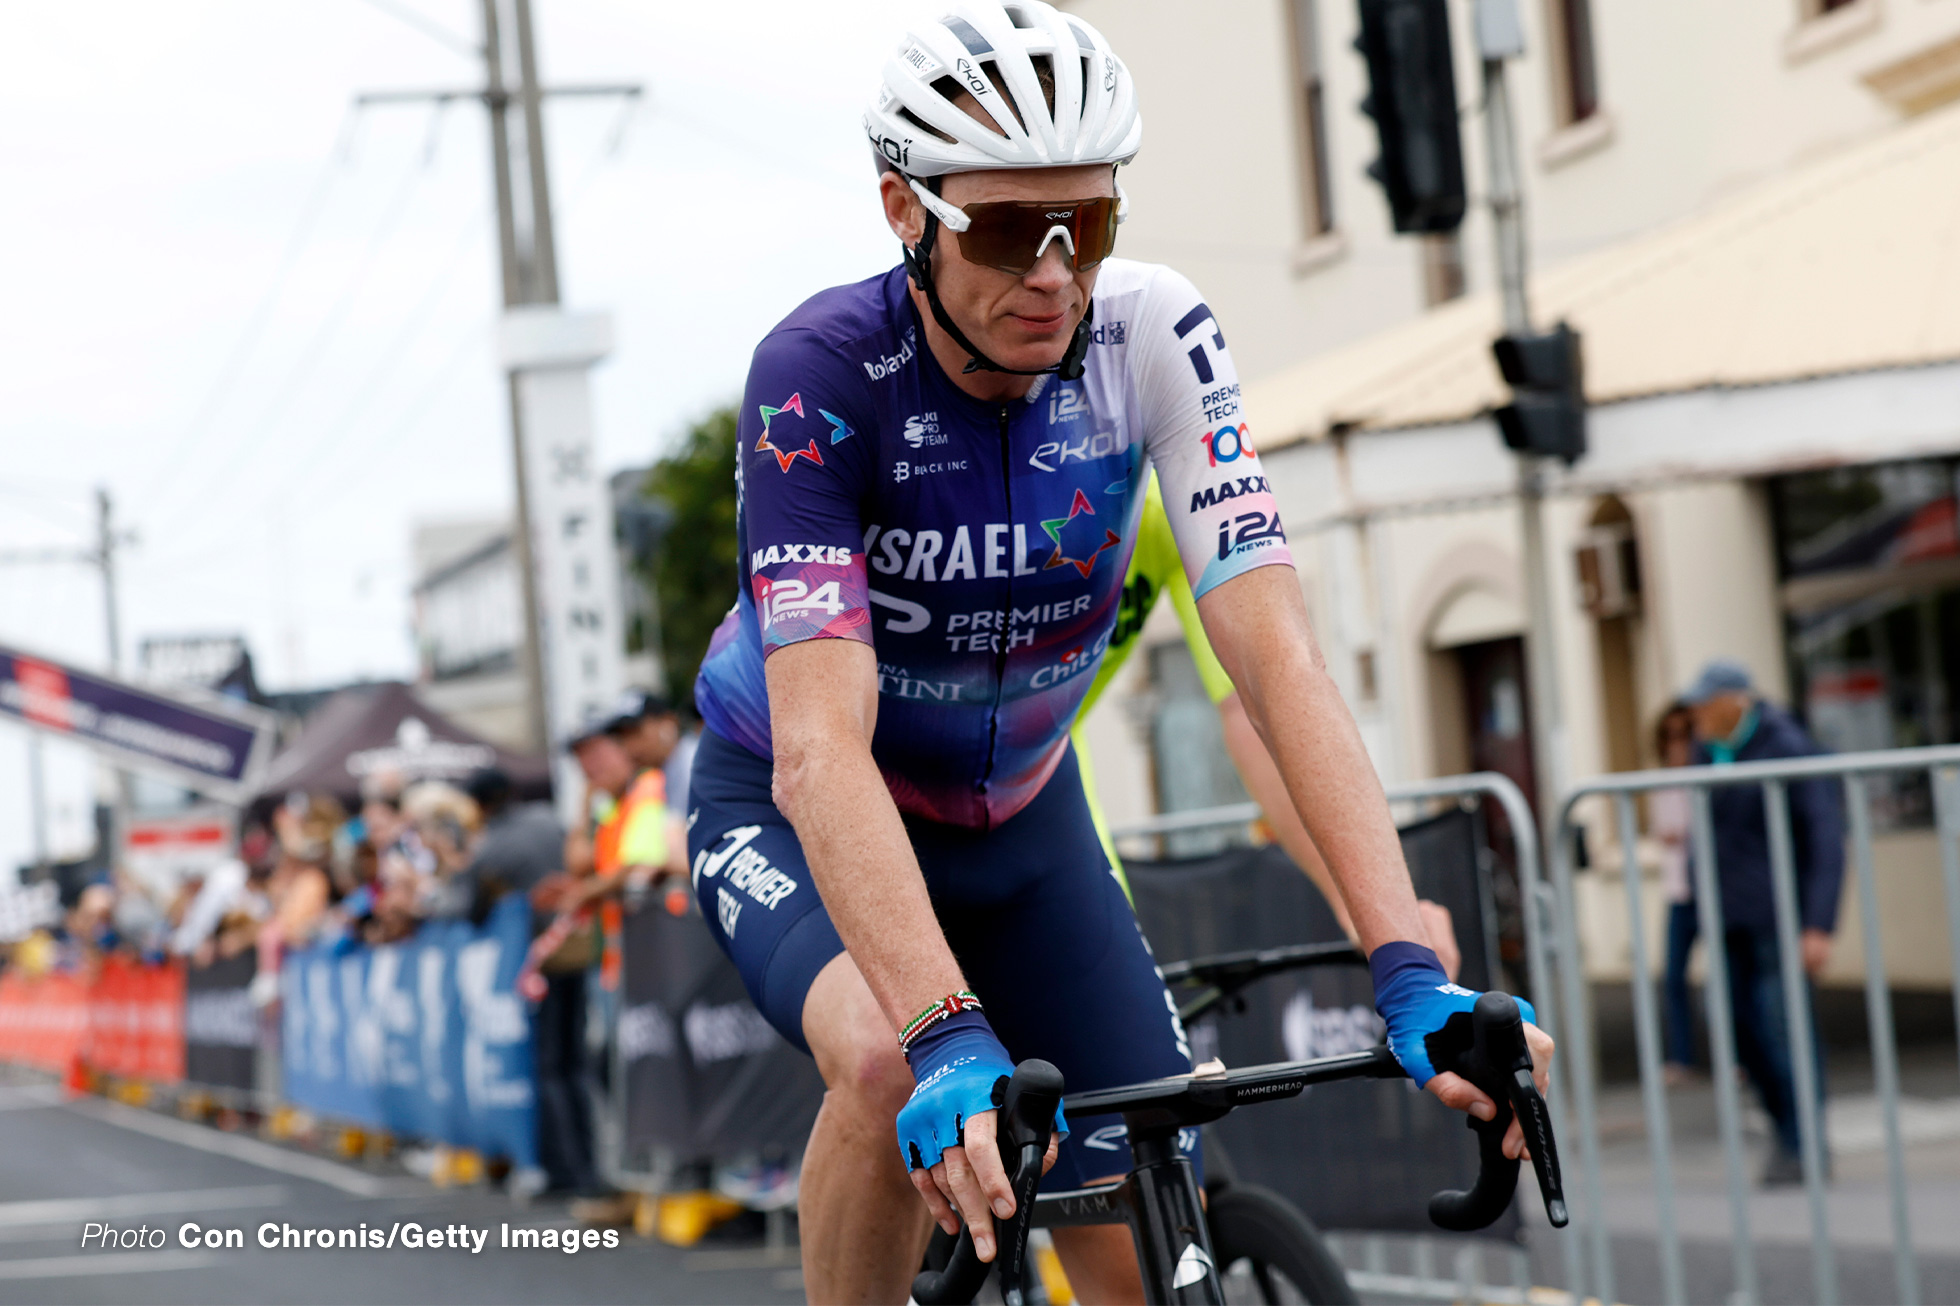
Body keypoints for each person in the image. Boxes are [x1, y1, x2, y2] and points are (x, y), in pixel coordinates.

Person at [685, 5, 1553, 1298]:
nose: (1050, 271)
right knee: (877, 1062)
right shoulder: (818, 377)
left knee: (1144, 1197)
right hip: (797, 804)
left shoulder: (1152, 332)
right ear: (902, 211)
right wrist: (943, 1029)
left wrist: (1409, 967)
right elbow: (820, 750)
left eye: (1083, 225)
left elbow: (1275, 666)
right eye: (1002, 229)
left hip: (1025, 823)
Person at [1073, 473, 1461, 978]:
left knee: (1120, 1006)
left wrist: (1373, 916)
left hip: (1050, 773)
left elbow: (1257, 701)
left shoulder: (1161, 492)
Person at [1684, 658, 1843, 1185]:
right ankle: (1784, 1132)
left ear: (1737, 701)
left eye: (1706, 705)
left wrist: (1819, 923)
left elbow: (1825, 837)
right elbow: (1698, 839)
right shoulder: (1706, 751)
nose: (1697, 716)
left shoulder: (1785, 745)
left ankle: (1805, 1144)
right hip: (1727, 917)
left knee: (1784, 1029)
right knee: (1735, 1027)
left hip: (1781, 918)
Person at [1650, 702, 1699, 1082]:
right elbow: (1669, 831)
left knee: (1731, 979)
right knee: (1674, 978)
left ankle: (1741, 1058)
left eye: (1685, 734)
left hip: (1716, 892)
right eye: (1670, 736)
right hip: (1679, 891)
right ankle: (1681, 1058)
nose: (1677, 744)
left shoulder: (1710, 775)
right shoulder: (1662, 784)